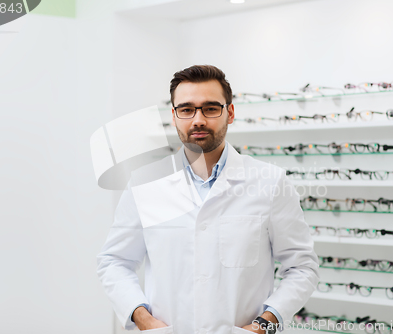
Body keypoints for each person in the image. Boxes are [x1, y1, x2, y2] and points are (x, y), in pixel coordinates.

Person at [97, 65, 319, 334]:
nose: (198, 119)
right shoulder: (145, 183)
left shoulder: (270, 182)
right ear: (174, 116)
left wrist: (264, 324)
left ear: (230, 113)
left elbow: (302, 267)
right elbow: (114, 262)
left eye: (211, 108)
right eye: (187, 109)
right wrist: (144, 320)